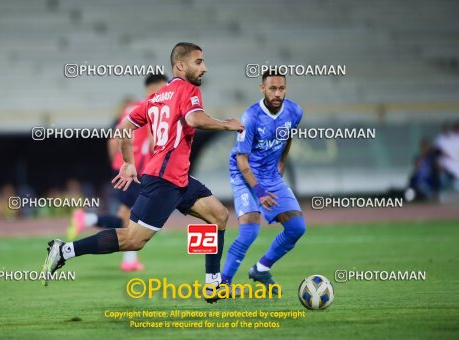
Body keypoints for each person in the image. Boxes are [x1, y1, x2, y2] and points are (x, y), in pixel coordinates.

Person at [42, 42, 244, 303]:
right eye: (198, 62)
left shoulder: (155, 98)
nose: (204, 68)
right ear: (180, 66)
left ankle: (213, 285)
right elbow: (194, 119)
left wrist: (128, 162)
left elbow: (124, 128)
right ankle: (65, 250)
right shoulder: (187, 89)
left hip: (177, 177)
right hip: (164, 179)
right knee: (133, 240)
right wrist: (225, 124)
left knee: (218, 215)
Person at [66, 74, 168, 272]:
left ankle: (88, 222)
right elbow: (155, 140)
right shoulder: (153, 108)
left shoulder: (131, 109)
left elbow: (114, 140)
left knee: (126, 216)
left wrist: (117, 162)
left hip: (122, 168)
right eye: (165, 88)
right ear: (157, 88)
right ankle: (124, 256)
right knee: (132, 219)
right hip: (137, 170)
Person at [221, 69, 306, 295]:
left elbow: (288, 135)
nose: (278, 93)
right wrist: (259, 192)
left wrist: (283, 160)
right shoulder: (250, 118)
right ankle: (223, 284)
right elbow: (242, 161)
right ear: (262, 89)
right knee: (249, 232)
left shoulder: (294, 111)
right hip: (244, 174)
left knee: (297, 228)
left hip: (270, 173)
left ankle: (261, 268)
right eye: (272, 89)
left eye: (281, 88)